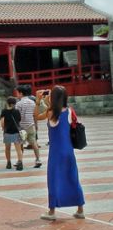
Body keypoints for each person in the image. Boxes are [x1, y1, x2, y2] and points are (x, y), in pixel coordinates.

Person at [35, 86, 86, 221]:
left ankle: (52, 211)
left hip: (56, 152)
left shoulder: (51, 112)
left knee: (53, 179)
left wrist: (38, 101)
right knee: (72, 178)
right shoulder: (69, 111)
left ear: (54, 98)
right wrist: (48, 102)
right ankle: (80, 209)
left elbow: (37, 116)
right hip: (68, 151)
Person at [14, 85, 42, 168]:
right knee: (34, 143)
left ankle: (20, 160)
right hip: (31, 125)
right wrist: (36, 124)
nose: (17, 95)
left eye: (17, 93)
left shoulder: (19, 104)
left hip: (22, 127)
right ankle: (38, 159)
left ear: (21, 93)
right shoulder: (32, 102)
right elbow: (35, 114)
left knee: (20, 144)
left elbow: (17, 116)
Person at [0, 96, 24, 171]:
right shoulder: (17, 111)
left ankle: (8, 163)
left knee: (7, 148)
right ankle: (20, 163)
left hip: (7, 132)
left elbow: (2, 122)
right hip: (16, 131)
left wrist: (3, 129)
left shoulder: (4, 111)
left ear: (7, 103)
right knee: (18, 149)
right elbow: (19, 120)